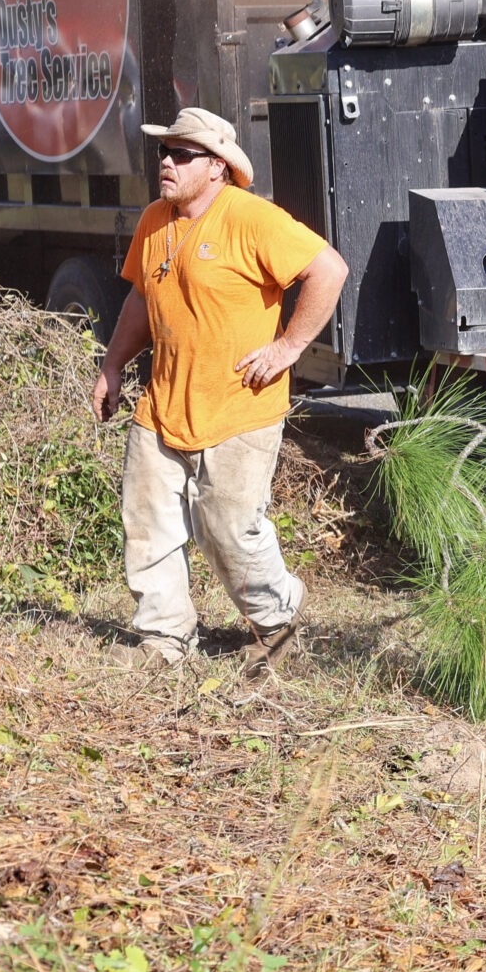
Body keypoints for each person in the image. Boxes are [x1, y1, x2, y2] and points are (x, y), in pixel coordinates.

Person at [89, 108, 348, 669]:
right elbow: (141, 300)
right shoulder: (155, 220)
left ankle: (276, 626)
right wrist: (112, 368)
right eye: (165, 151)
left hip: (239, 407)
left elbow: (328, 270)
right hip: (162, 405)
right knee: (147, 524)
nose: (167, 161)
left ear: (218, 167)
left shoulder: (252, 218)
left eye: (183, 154)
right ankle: (164, 641)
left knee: (230, 531)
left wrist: (287, 350)